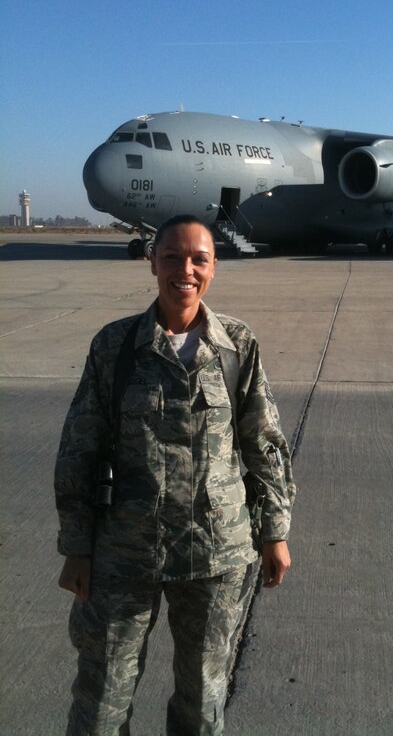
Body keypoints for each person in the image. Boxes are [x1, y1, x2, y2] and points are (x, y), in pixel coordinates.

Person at [55, 215, 295, 735]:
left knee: (203, 697)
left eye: (198, 259)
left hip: (216, 554)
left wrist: (275, 531)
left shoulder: (236, 344)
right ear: (152, 262)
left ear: (213, 267)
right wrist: (77, 545)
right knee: (101, 697)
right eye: (172, 257)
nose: (184, 270)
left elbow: (264, 444)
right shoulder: (114, 346)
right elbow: (80, 448)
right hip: (124, 551)